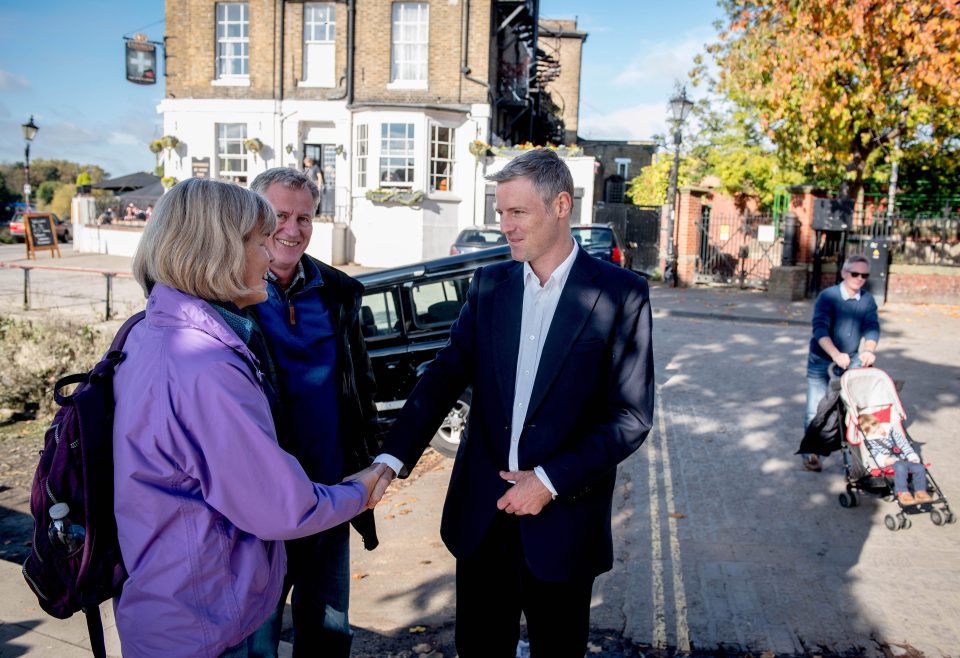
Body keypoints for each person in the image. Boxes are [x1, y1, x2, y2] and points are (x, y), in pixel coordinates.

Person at [370, 148, 655, 658]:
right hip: (483, 521)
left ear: (561, 205)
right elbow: (443, 376)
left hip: (563, 523)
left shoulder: (620, 293)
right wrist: (390, 461)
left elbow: (630, 417)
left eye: (517, 212)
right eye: (500, 212)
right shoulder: (489, 286)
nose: (505, 225)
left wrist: (547, 482)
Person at [112, 178, 386, 658]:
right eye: (260, 238)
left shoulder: (153, 328)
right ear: (219, 248)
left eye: (302, 219)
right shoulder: (205, 361)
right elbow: (281, 508)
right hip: (210, 606)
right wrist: (360, 491)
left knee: (327, 632)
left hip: (180, 589)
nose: (272, 250)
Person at [248, 168, 380, 657]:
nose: (292, 229)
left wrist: (370, 458)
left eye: (304, 217)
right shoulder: (226, 293)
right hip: (258, 506)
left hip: (329, 495)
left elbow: (360, 385)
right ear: (254, 217)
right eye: (279, 215)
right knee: (255, 639)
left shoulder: (338, 291)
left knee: (329, 632)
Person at [800, 254, 880, 472]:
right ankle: (810, 453)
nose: (859, 278)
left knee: (854, 407)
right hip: (822, 358)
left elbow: (872, 327)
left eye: (864, 275)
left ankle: (856, 454)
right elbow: (819, 330)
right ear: (844, 273)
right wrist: (835, 354)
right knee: (815, 407)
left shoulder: (867, 300)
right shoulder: (829, 297)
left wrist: (869, 350)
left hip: (850, 359)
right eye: (855, 274)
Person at [858, 412, 931, 505]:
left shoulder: (890, 432)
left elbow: (903, 443)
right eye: (874, 431)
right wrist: (884, 460)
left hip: (903, 459)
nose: (879, 431)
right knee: (900, 467)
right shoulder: (871, 441)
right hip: (891, 463)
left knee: (919, 468)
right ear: (868, 433)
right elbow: (875, 454)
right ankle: (903, 493)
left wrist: (911, 455)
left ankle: (920, 492)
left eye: (878, 427)